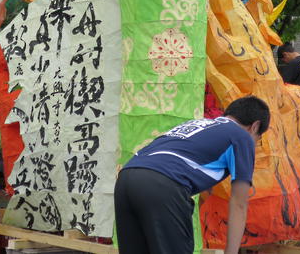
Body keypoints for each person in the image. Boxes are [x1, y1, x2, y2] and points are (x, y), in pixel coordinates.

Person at [114, 96, 270, 254]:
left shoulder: (197, 125)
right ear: (255, 127)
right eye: (258, 139)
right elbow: (239, 203)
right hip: (162, 184)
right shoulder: (242, 137)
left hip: (126, 179)